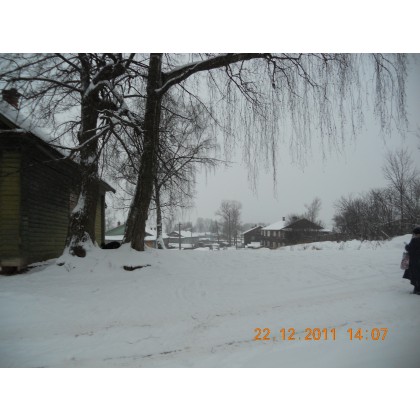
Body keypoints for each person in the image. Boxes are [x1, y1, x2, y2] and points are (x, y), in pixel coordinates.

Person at [404, 226, 420, 295]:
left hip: (415, 261)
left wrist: (406, 246)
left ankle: (417, 290)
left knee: (416, 276)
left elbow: (409, 248)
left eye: (414, 234)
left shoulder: (415, 240)